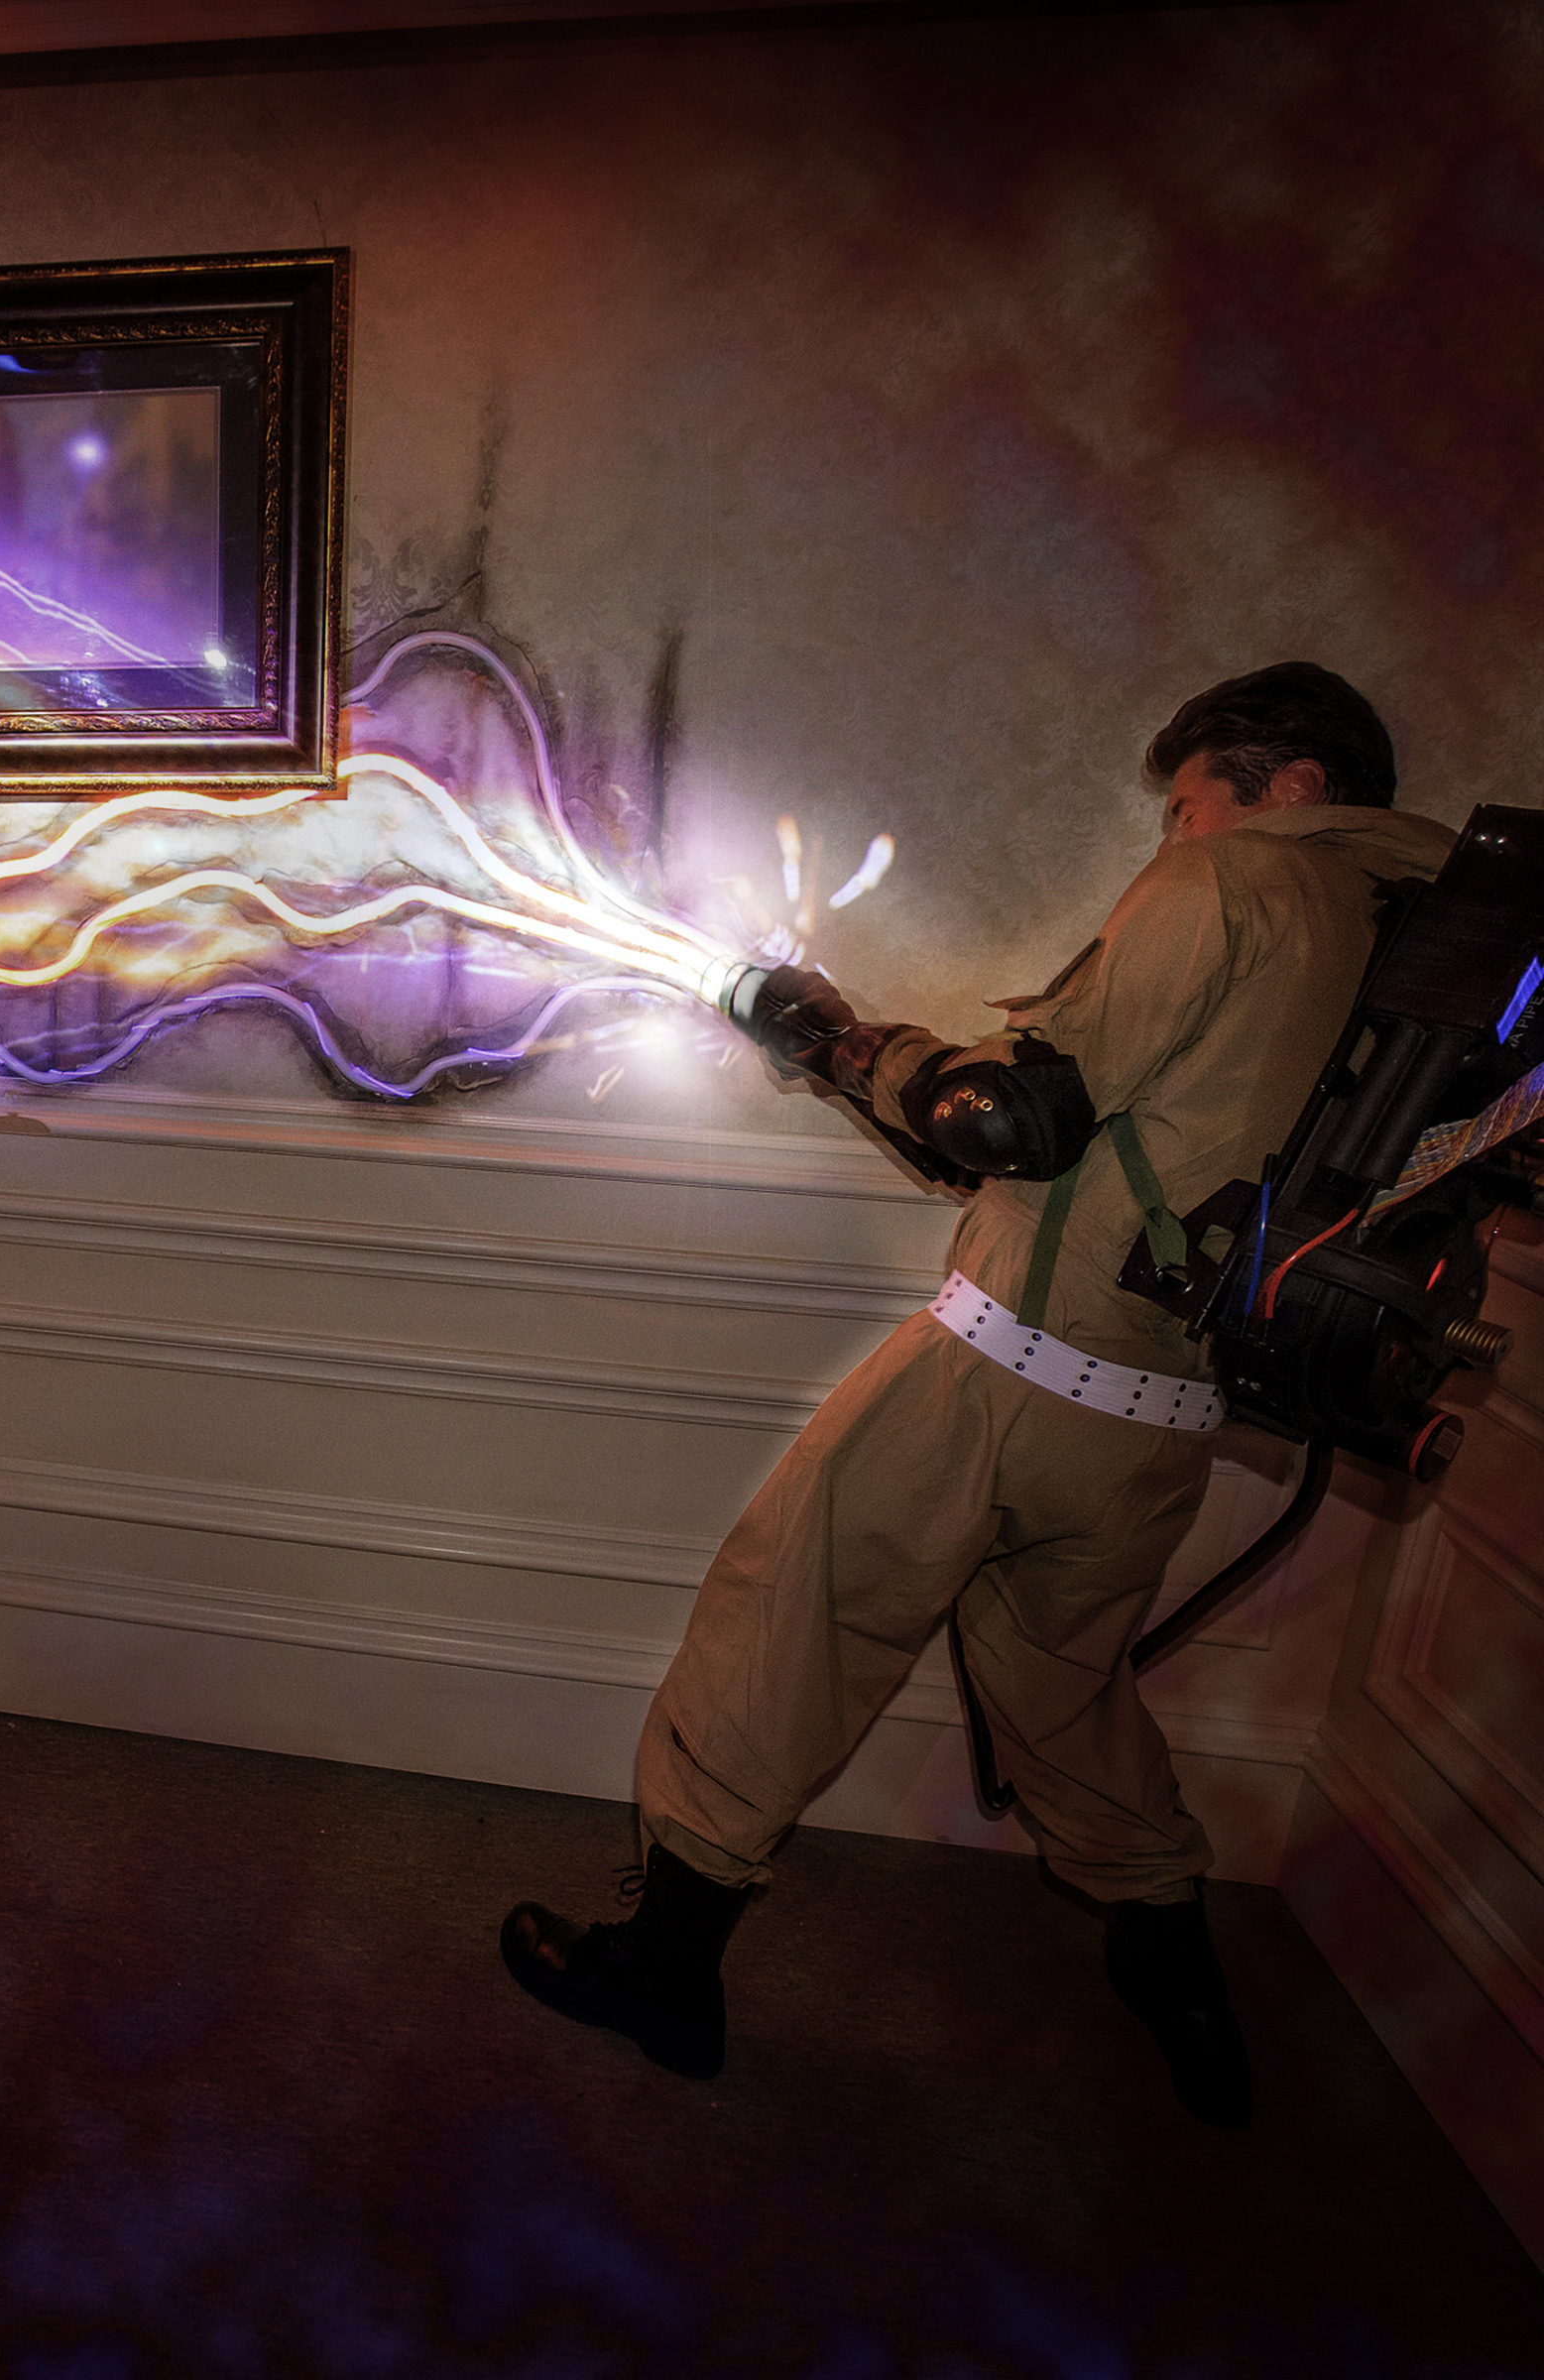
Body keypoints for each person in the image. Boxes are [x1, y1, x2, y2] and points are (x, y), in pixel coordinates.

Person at [499, 663, 1455, 2126]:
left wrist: (838, 1035)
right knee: (1064, 1695)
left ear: (1295, 788)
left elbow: (1011, 1119)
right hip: (1163, 1420)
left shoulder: (1238, 884)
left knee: (787, 1621)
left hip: (1007, 1373)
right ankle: (1179, 1976)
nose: (1173, 838)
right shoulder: (1410, 934)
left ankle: (665, 1970)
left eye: (1189, 804)